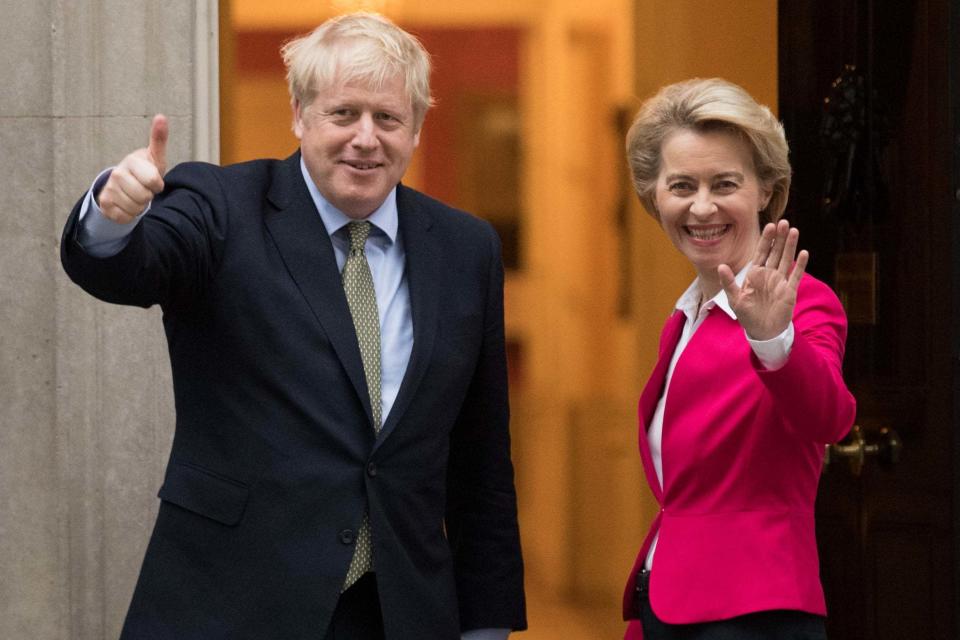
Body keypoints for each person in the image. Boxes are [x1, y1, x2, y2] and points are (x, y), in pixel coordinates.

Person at [60, 13, 525, 640]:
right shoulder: (221, 206)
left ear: (416, 125)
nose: (366, 138)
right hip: (230, 603)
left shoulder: (466, 248)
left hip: (399, 611)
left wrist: (486, 624)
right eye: (343, 114)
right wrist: (113, 219)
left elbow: (481, 459)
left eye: (387, 118)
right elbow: (131, 269)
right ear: (299, 115)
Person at [620, 78, 856, 639]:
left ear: (766, 191)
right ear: (656, 196)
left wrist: (775, 343)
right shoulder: (683, 318)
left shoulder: (801, 302)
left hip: (755, 612)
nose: (702, 206)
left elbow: (830, 417)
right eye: (681, 185)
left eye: (725, 183)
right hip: (670, 604)